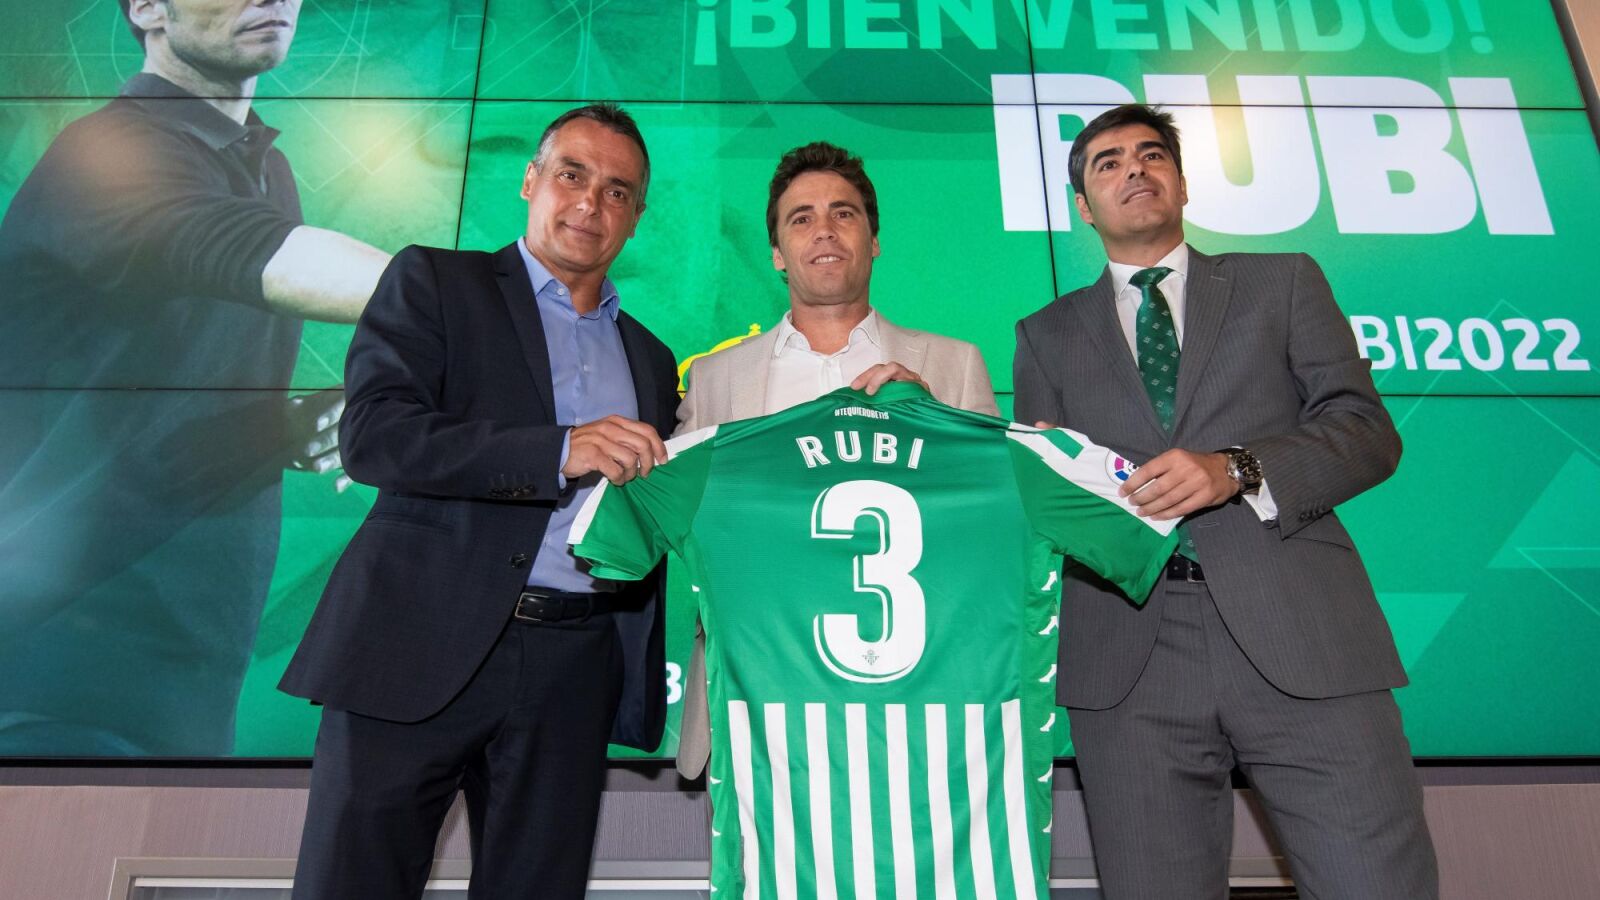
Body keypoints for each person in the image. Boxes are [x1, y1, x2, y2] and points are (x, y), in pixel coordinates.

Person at [1013, 104, 1437, 899]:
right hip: (1129, 657)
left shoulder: (1282, 282)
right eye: (1108, 163)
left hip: (1302, 633)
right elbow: (1048, 503)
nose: (1133, 170)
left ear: (1180, 181)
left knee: (1374, 882)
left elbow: (1366, 432)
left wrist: (1237, 468)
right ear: (1083, 206)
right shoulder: (1045, 334)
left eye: (1150, 155)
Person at [279, 103, 678, 900]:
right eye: (571, 174)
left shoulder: (652, 358)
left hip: (573, 666)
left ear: (637, 216)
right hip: (417, 640)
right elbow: (376, 437)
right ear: (531, 180)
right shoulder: (434, 282)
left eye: (617, 191)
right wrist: (558, 450)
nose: (590, 203)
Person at [0, 0, 389, 755]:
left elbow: (150, 383)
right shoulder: (106, 153)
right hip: (60, 667)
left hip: (190, 676)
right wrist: (495, 304)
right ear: (147, 7)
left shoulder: (265, 167)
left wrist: (279, 426)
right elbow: (241, 251)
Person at [673, 141, 1000, 781]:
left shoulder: (952, 365)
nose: (823, 229)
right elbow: (682, 525)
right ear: (776, 252)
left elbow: (990, 530)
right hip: (756, 701)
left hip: (920, 699)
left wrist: (938, 427)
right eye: (801, 218)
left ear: (874, 240)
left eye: (843, 213)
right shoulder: (714, 379)